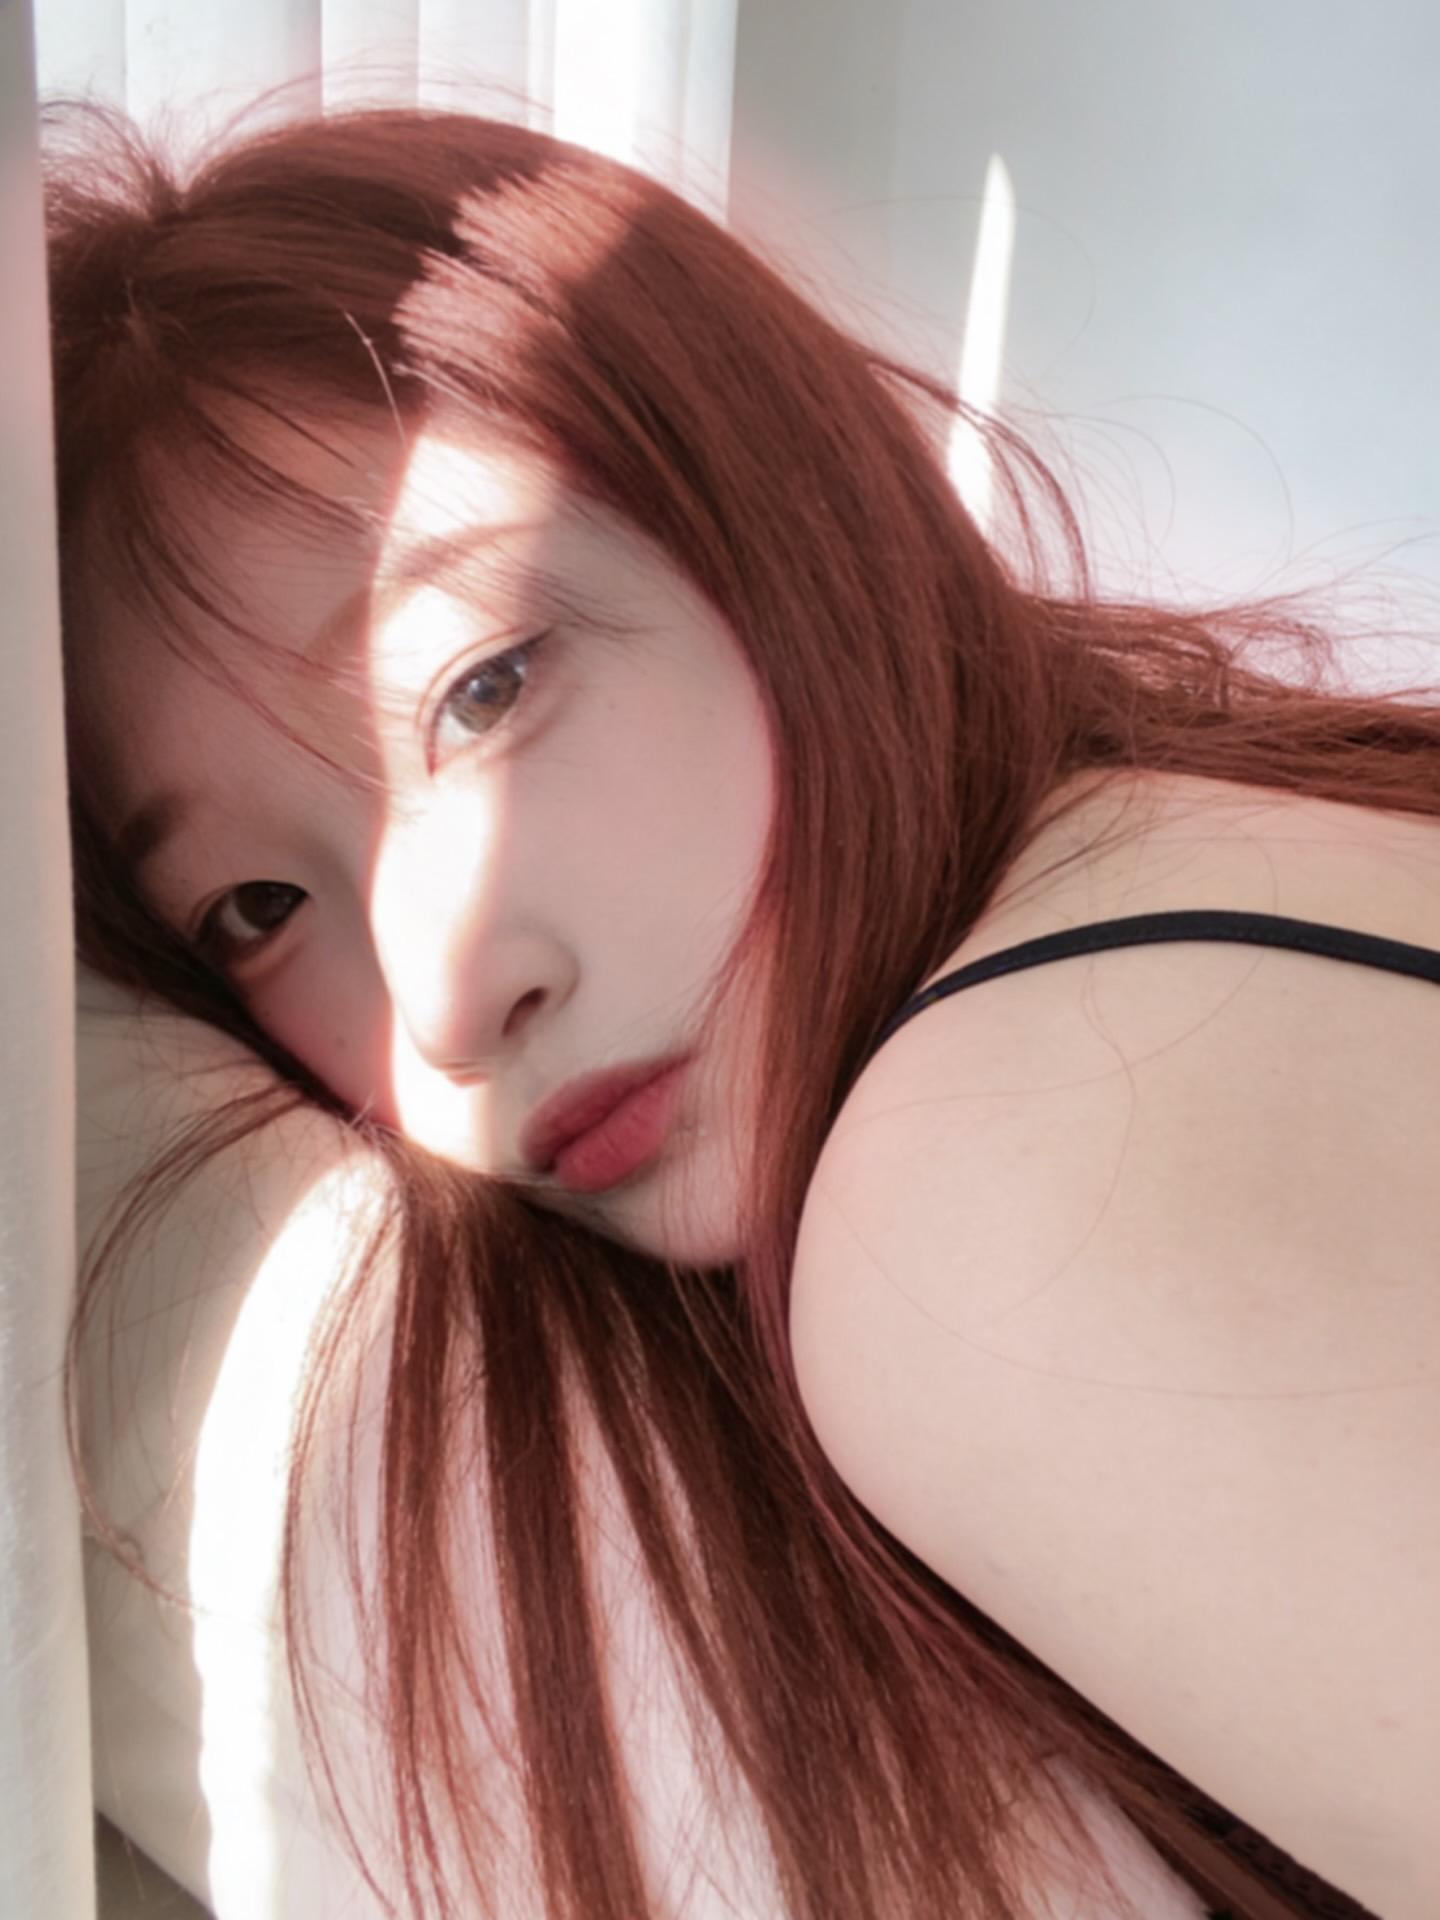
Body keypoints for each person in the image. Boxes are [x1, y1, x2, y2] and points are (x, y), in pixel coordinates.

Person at [44, 99, 1430, 1920]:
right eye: (258, 908)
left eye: (480, 689)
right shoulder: (1185, 849)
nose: (448, 1001)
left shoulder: (999, 1173)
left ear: (766, 503)